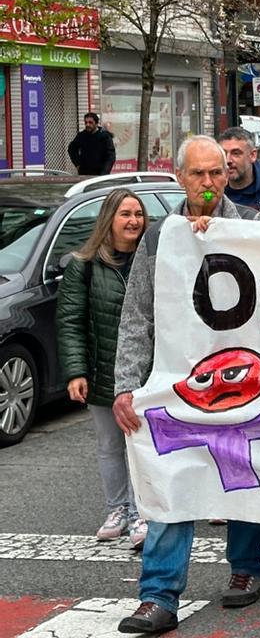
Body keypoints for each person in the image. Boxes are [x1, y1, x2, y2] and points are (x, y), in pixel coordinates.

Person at [113, 136, 260, 634]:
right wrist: (126, 384)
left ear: (228, 174)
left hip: (240, 379)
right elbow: (138, 312)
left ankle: (246, 568)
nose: (208, 183)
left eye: (216, 173)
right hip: (175, 382)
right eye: (198, 174)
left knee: (239, 474)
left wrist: (220, 234)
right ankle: (158, 594)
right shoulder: (161, 236)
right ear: (179, 177)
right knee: (171, 483)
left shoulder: (255, 226)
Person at [56, 189, 148, 549]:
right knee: (110, 445)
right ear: (109, 220)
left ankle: (143, 513)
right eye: (125, 214)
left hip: (144, 374)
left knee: (140, 446)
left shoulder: (151, 259)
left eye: (138, 214)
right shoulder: (85, 264)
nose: (133, 221)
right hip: (101, 369)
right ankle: (117, 510)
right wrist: (75, 371)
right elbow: (70, 321)